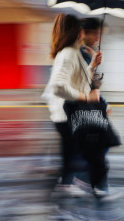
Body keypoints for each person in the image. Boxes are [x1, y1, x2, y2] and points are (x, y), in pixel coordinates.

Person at [46, 13, 110, 198]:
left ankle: (68, 189)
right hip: (68, 114)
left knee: (75, 158)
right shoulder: (68, 54)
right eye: (82, 29)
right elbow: (58, 86)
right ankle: (87, 190)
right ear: (76, 31)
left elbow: (79, 81)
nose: (86, 33)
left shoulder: (74, 52)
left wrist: (92, 66)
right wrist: (86, 98)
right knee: (88, 154)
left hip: (71, 114)